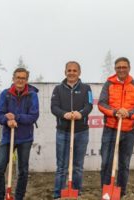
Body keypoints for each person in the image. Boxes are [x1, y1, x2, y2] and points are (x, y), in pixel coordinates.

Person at [98, 57, 134, 197]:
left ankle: (121, 192)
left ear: (129, 68)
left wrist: (128, 113)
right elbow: (101, 103)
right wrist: (115, 112)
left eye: (124, 67)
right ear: (115, 69)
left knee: (124, 164)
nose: (121, 69)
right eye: (118, 67)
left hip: (129, 130)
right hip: (110, 128)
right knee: (106, 163)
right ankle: (106, 192)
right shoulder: (109, 84)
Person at [0, 67, 39, 200]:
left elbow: (33, 116)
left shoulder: (32, 95)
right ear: (13, 79)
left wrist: (16, 117)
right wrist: (6, 121)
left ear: (26, 80)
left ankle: (19, 197)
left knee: (23, 171)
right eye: (18, 78)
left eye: (23, 78)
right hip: (8, 137)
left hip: (25, 138)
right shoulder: (5, 94)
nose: (20, 80)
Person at [51, 61, 93, 199]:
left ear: (79, 73)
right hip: (63, 132)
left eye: (75, 70)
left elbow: (90, 105)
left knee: (78, 166)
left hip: (81, 131)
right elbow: (54, 107)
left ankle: (76, 193)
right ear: (65, 72)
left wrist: (81, 113)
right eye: (69, 70)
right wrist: (64, 114)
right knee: (61, 166)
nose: (71, 73)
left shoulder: (87, 88)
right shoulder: (57, 89)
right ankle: (58, 194)